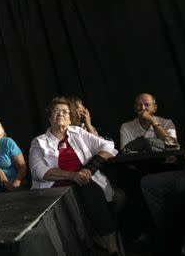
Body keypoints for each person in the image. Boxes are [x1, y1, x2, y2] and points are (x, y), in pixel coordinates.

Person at [30, 97, 119, 256]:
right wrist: (72, 175)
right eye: (56, 111)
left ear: (70, 118)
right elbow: (39, 171)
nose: (60, 114)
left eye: (65, 112)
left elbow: (108, 146)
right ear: (49, 117)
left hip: (83, 181)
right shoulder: (39, 142)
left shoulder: (78, 133)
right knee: (67, 202)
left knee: (93, 192)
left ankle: (112, 249)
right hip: (55, 187)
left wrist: (89, 169)